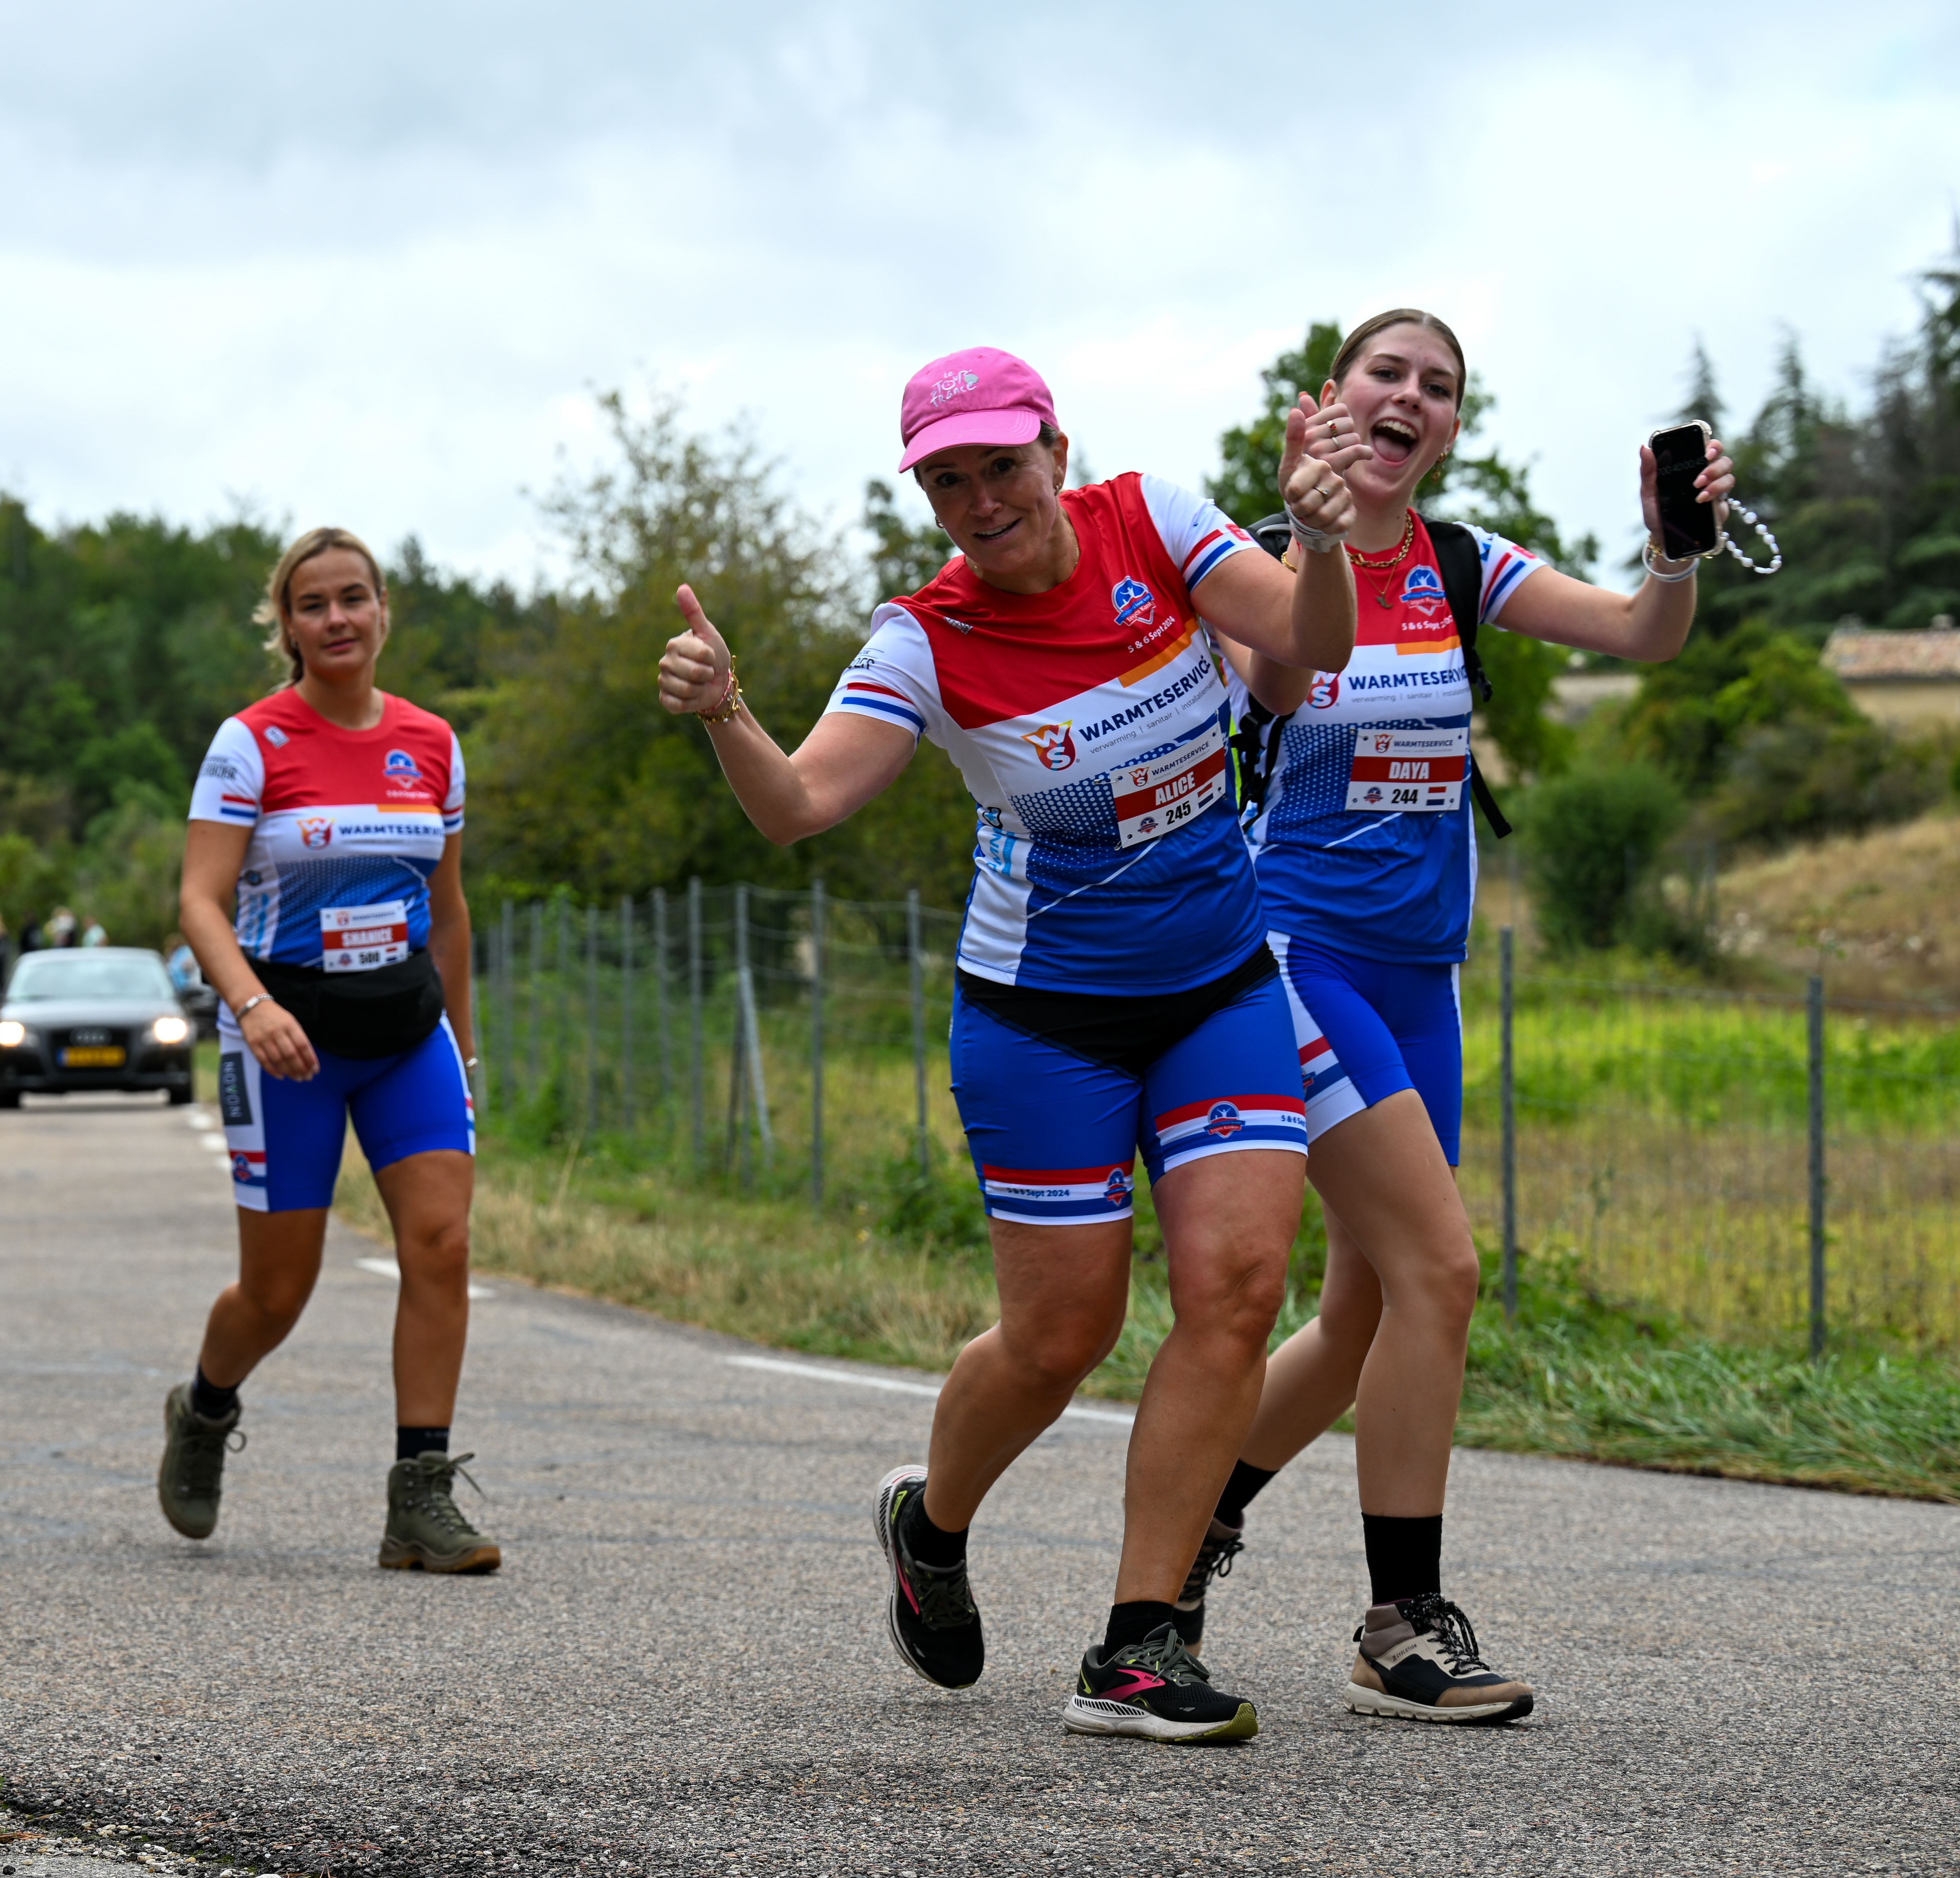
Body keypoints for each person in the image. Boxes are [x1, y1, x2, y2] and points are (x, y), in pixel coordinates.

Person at [656, 348, 1367, 1742]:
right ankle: (928, 1521)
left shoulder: (1149, 523)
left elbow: (1311, 635)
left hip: (1217, 986)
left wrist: (1327, 538)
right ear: (922, 493)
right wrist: (726, 713)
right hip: (1039, 1019)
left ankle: (1136, 1642)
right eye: (947, 479)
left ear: (1053, 447)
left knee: (1233, 1283)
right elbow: (798, 805)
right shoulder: (921, 642)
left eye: (1000, 464)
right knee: (1062, 1334)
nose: (981, 499)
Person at [1179, 309, 1733, 1726]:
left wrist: (1670, 547)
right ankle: (1398, 1621)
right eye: (1385, 374)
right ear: (1328, 401)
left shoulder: (1453, 561)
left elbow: (1637, 637)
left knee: (1365, 1308)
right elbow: (1280, 679)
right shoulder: (1254, 562)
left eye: (1436, 387)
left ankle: (1183, 1519)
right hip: (1295, 960)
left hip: (1419, 979)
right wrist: (1309, 540)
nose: (1408, 397)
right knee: (1441, 1268)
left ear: (1443, 430)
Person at [158, 526, 490, 1574]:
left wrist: (464, 1049)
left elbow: (448, 913)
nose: (337, 617)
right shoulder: (250, 742)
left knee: (439, 1243)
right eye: (314, 603)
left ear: (384, 611)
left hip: (405, 1031)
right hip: (285, 1038)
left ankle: (418, 1498)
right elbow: (198, 901)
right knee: (278, 1289)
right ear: (288, 625)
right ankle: (204, 1408)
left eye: (355, 598)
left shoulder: (430, 742)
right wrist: (251, 1005)